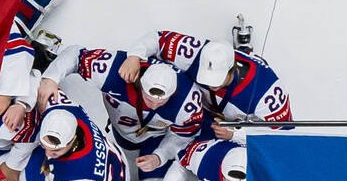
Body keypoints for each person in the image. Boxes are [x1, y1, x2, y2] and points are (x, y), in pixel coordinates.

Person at [37, 47, 209, 181]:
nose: (154, 105)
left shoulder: (187, 103)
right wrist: (51, 78)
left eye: (162, 101)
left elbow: (185, 135)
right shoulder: (113, 71)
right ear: (139, 82)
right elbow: (75, 54)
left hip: (157, 137)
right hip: (122, 131)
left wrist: (160, 155)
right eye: (149, 98)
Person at [119, 30, 292, 141]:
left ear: (232, 70)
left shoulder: (268, 91)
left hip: (232, 125)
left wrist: (237, 134)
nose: (211, 86)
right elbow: (158, 39)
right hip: (203, 113)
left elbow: (283, 136)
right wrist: (134, 56)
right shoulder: (195, 52)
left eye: (217, 81)